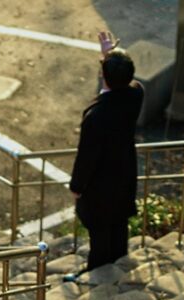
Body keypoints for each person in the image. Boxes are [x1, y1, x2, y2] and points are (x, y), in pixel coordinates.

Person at [66, 31, 144, 280]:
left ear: (103, 75)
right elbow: (129, 83)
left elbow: (86, 157)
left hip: (100, 185)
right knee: (119, 224)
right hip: (124, 175)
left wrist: (76, 186)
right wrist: (111, 57)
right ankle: (119, 264)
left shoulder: (96, 116)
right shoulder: (136, 95)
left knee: (99, 233)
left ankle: (98, 275)